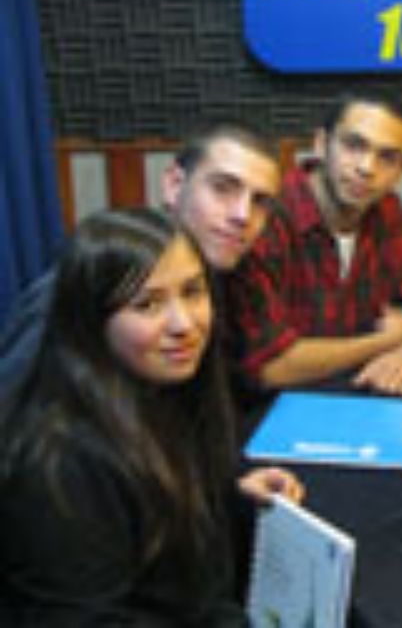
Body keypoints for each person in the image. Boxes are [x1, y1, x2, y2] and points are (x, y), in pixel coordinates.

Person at [0, 208, 303, 625]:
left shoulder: (167, 389)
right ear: (92, 321)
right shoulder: (59, 462)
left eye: (194, 292)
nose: (184, 324)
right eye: (147, 304)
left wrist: (228, 495)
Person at [0, 122, 281, 399]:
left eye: (259, 202)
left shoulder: (227, 274)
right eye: (223, 188)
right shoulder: (84, 284)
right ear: (174, 185)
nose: (243, 215)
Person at [227, 89, 402, 395]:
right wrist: (385, 341)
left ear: (401, 170)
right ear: (321, 144)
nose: (367, 168)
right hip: (275, 408)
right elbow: (269, 367)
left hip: (361, 394)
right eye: (354, 146)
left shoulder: (386, 210)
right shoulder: (265, 219)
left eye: (387, 157)